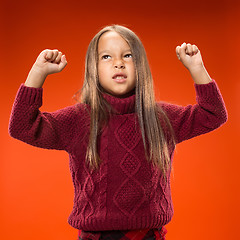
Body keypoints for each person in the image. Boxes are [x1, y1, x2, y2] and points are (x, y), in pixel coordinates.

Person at [8, 25, 227, 240]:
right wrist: (38, 73)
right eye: (106, 57)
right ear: (93, 68)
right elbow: (22, 126)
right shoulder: (79, 119)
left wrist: (197, 68)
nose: (119, 63)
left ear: (140, 66)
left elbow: (213, 114)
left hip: (149, 235)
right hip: (95, 236)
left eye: (128, 55)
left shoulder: (160, 118)